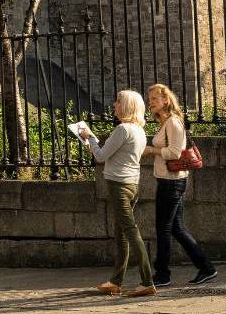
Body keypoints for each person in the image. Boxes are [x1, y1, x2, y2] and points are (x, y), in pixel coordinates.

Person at [81, 89, 154, 298]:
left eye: (118, 102)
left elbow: (101, 156)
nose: (114, 105)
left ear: (128, 106)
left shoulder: (122, 129)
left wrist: (89, 138)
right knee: (121, 234)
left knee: (130, 231)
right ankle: (115, 281)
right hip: (132, 184)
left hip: (119, 186)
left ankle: (147, 282)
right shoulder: (139, 130)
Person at [143, 83, 217, 286]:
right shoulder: (165, 122)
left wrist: (151, 150)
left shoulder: (173, 123)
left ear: (166, 100)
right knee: (176, 228)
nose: (150, 103)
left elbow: (175, 153)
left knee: (164, 229)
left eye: (154, 99)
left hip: (172, 182)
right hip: (169, 180)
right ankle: (206, 268)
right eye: (150, 99)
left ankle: (162, 275)